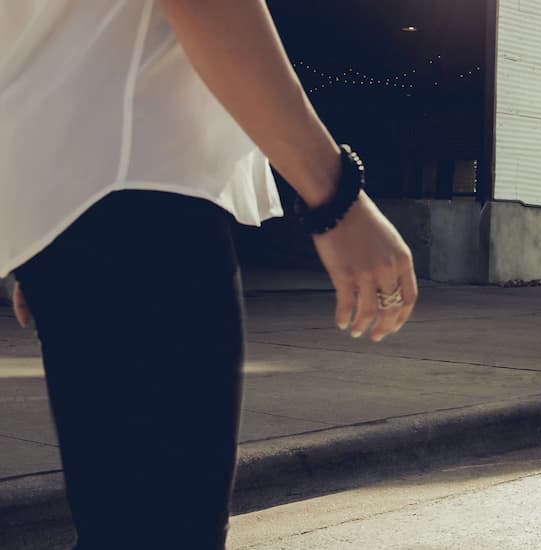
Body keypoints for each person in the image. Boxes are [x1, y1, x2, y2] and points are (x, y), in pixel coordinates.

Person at [2, 1, 417, 547]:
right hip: (140, 198)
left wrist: (39, 220)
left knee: (123, 526)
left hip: (84, 199)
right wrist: (335, 195)